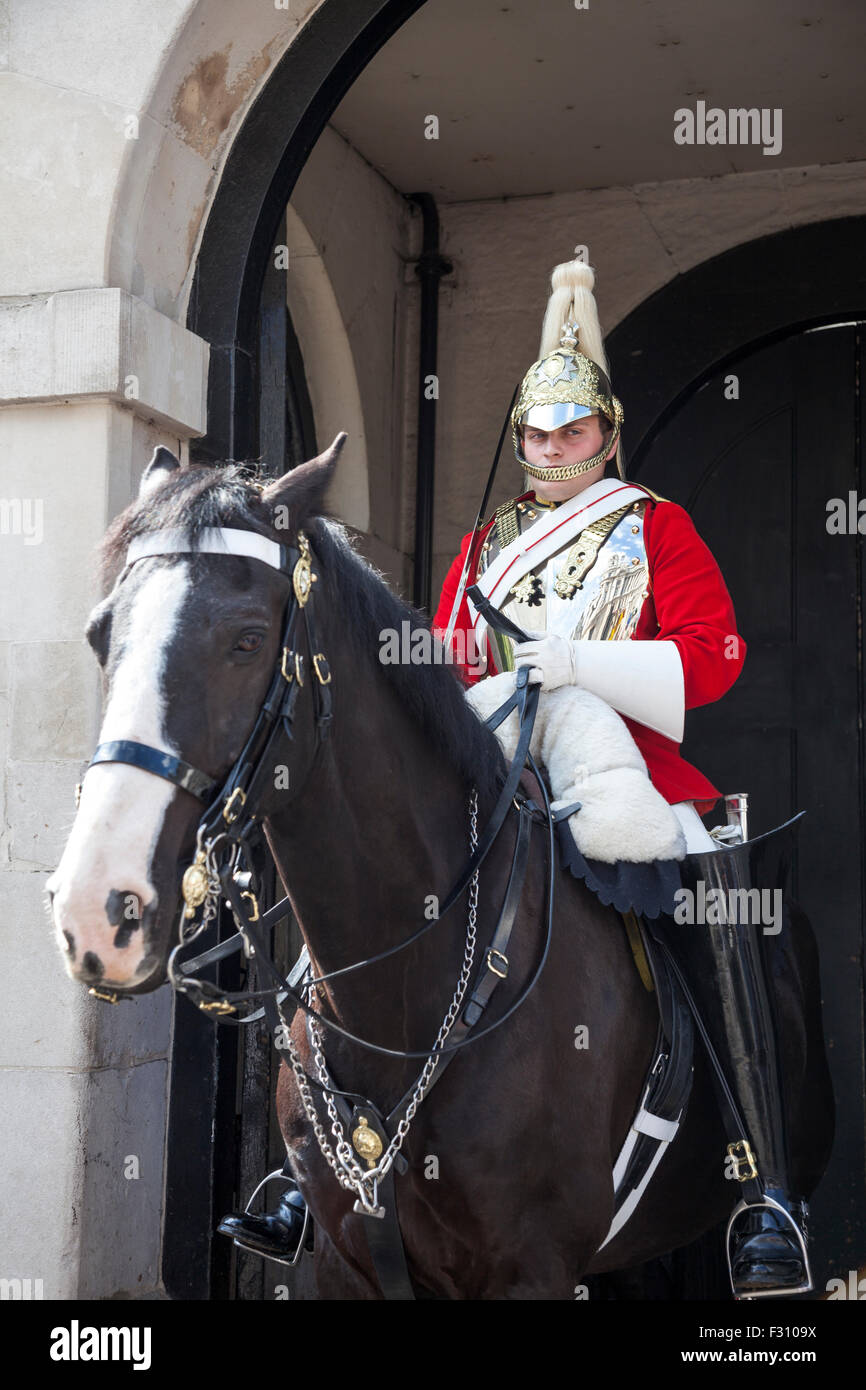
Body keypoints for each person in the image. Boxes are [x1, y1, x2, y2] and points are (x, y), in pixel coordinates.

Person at [220, 253, 812, 1299]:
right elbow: (440, 662)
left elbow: (715, 655)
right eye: (536, 435)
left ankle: (762, 1187)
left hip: (620, 756)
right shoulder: (483, 545)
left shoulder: (652, 525)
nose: (551, 450)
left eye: (571, 432)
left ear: (606, 434)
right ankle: (301, 1164)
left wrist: (581, 664)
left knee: (716, 899)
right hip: (491, 760)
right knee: (367, 885)